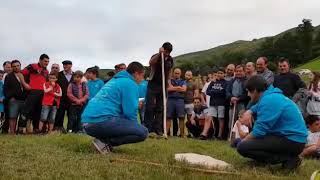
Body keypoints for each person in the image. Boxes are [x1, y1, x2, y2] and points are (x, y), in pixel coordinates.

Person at [237, 75, 308, 170]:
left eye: (248, 92)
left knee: (243, 146)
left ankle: (288, 159)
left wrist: (244, 141)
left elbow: (259, 131)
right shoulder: (271, 96)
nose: (248, 95)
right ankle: (264, 160)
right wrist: (250, 111)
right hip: (293, 139)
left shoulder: (269, 100)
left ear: (254, 90)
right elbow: (259, 106)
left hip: (292, 140)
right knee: (241, 143)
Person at [82, 62, 148, 154]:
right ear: (136, 74)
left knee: (124, 123)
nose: (142, 79)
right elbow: (130, 113)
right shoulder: (130, 83)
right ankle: (104, 143)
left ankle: (101, 139)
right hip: (101, 121)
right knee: (143, 132)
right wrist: (134, 126)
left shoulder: (114, 80)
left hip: (87, 124)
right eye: (142, 75)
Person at [144, 42, 173, 136]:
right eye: (166, 51)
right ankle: (147, 128)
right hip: (153, 84)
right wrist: (159, 53)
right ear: (163, 49)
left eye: (169, 52)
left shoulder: (170, 59)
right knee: (149, 106)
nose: (167, 54)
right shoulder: (156, 56)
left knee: (160, 107)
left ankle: (158, 129)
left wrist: (168, 82)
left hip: (163, 86)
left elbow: (170, 70)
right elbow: (151, 63)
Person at [21, 54, 49, 133]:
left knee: (38, 112)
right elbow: (21, 73)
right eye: (45, 61)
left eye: (48, 62)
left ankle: (36, 129)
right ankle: (21, 129)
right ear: (40, 60)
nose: (46, 63)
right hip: (33, 92)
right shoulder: (32, 66)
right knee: (26, 111)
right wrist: (25, 84)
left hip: (43, 93)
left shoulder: (46, 71)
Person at [200, 68, 228, 140]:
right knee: (209, 117)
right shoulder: (213, 82)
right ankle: (204, 134)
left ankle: (219, 135)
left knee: (220, 119)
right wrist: (216, 91)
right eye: (218, 73)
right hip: (212, 103)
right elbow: (207, 92)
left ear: (224, 74)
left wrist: (214, 91)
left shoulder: (226, 83)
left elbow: (223, 92)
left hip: (221, 103)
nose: (219, 74)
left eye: (221, 73)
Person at [4, 60, 29, 134]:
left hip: (24, 99)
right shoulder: (9, 76)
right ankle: (12, 133)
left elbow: (28, 87)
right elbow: (6, 89)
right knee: (12, 117)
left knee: (23, 117)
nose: (16, 67)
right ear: (12, 67)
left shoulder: (25, 75)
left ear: (20, 66)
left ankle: (21, 132)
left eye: (18, 66)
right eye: (14, 66)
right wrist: (10, 98)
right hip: (13, 100)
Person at [226, 65, 249, 133]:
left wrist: (238, 98)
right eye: (237, 71)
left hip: (242, 104)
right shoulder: (232, 80)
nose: (238, 73)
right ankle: (231, 135)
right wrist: (231, 97)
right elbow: (227, 91)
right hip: (232, 103)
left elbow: (247, 93)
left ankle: (241, 134)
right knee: (231, 121)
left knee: (242, 120)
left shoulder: (247, 81)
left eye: (240, 71)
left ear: (244, 71)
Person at [166, 68, 187, 137]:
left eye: (178, 73)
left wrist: (173, 88)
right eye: (175, 73)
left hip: (180, 100)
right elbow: (168, 89)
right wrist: (178, 87)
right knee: (168, 117)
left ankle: (182, 134)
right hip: (170, 100)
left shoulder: (183, 81)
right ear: (173, 73)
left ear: (180, 74)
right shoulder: (169, 80)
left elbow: (184, 89)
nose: (176, 74)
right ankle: (166, 133)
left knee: (181, 117)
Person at [55, 60, 73, 132]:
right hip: (61, 98)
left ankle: (70, 129)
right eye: (64, 65)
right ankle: (59, 129)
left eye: (66, 64)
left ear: (71, 65)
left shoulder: (75, 75)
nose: (65, 66)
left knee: (71, 115)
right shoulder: (59, 74)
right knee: (60, 114)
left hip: (71, 99)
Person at [2, 61, 12, 133]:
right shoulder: (2, 76)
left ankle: (5, 131)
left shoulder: (13, 76)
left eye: (10, 67)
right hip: (1, 99)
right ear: (4, 67)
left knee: (8, 115)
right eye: (7, 67)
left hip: (8, 99)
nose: (9, 69)